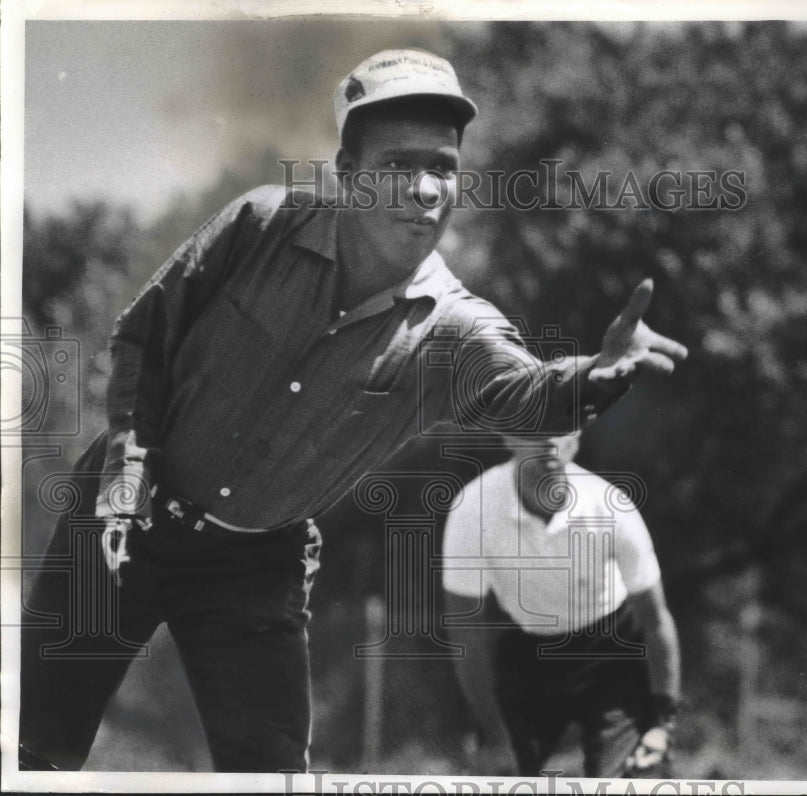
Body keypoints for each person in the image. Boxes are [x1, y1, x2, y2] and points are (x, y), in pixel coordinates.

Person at [18, 49, 687, 773]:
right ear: (347, 171)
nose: (427, 188)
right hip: (127, 511)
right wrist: (125, 472)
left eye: (443, 166)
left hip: (253, 561)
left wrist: (599, 375)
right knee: (36, 749)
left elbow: (532, 392)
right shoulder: (262, 223)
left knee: (271, 776)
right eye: (400, 166)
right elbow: (144, 336)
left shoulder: (457, 329)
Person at [442, 433, 683, 778]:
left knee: (634, 778)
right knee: (493, 775)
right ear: (509, 437)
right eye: (538, 426)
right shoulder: (473, 509)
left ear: (577, 440)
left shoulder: (610, 506)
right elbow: (465, 630)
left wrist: (663, 724)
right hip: (529, 654)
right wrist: (494, 735)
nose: (550, 440)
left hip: (611, 654)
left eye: (563, 426)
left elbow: (655, 619)